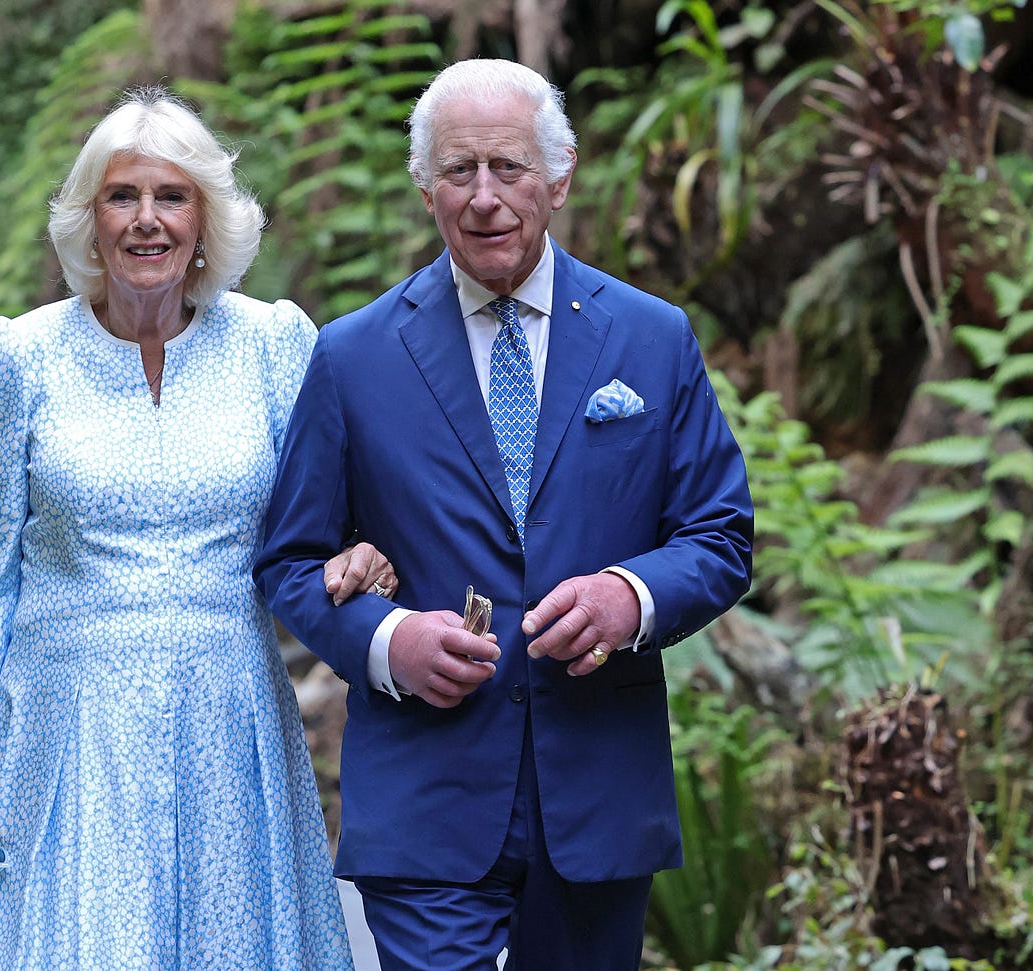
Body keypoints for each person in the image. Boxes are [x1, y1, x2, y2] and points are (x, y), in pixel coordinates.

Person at [255, 59, 754, 971]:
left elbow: (719, 535)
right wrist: (388, 641)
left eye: (509, 167)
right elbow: (290, 560)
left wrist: (629, 595)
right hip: (425, 792)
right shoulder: (353, 356)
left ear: (557, 179)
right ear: (426, 189)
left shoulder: (652, 337)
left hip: (598, 787)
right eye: (459, 170)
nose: (484, 197)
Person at [0, 86, 397, 970]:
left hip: (230, 717)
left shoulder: (274, 344)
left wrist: (365, 553)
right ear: (89, 219)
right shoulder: (17, 358)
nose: (147, 219)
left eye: (171, 196)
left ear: (206, 219)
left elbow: (331, 520)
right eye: (122, 196)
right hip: (72, 727)